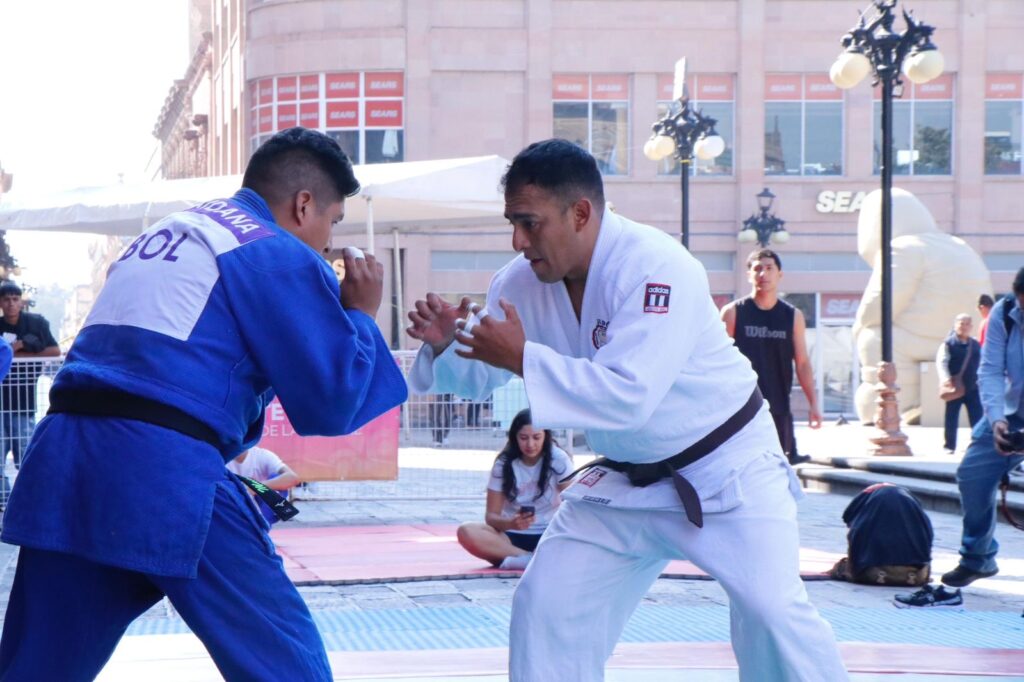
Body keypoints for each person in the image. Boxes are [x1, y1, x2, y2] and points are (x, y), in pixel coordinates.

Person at [406, 139, 847, 681]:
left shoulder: (656, 266)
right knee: (546, 607)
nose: (518, 241)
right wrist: (447, 346)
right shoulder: (519, 282)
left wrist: (522, 357)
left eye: (529, 223)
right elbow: (482, 375)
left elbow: (628, 396)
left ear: (580, 213)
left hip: (725, 469)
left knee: (771, 615)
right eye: (512, 223)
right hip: (624, 481)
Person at [0, 127, 408, 680]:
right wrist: (361, 314)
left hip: (64, 459)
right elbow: (333, 402)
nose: (329, 243)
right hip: (161, 468)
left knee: (37, 667)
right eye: (332, 223)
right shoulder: (274, 250)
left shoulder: (168, 232)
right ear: (303, 205)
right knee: (283, 660)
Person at [942, 267, 1024, 589]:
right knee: (972, 475)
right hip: (1010, 412)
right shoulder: (1004, 312)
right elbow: (989, 370)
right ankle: (978, 558)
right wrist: (997, 420)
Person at [721, 249, 822, 465]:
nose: (763, 274)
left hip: (779, 406)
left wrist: (813, 403)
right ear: (749, 274)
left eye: (769, 268)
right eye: (757, 269)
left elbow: (802, 363)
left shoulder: (792, 316)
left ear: (779, 274)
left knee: (781, 466)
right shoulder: (733, 312)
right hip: (742, 405)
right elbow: (718, 362)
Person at [456, 408, 572, 571]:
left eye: (536, 437)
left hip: (550, 533)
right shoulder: (503, 464)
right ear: (514, 437)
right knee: (466, 531)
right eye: (523, 438)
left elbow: (572, 503)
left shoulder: (558, 459)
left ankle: (520, 560)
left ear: (546, 436)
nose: (530, 444)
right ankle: (528, 559)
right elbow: (491, 516)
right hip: (511, 536)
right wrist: (511, 523)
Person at [0, 281, 61, 470]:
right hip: (2, 400)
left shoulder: (36, 323)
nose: (11, 304)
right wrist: (13, 349)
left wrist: (15, 353)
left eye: (15, 299)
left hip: (24, 401)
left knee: (26, 456)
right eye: (6, 299)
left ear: (21, 302)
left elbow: (54, 351)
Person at [829, 483, 933, 588]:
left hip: (871, 574)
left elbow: (855, 548)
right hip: (916, 576)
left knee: (843, 567)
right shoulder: (917, 513)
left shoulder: (867, 516)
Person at [936, 313, 983, 453]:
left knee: (977, 418)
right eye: (961, 323)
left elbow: (982, 363)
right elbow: (942, 363)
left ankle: (977, 445)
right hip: (954, 388)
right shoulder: (948, 343)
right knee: (951, 417)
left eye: (967, 324)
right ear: (955, 325)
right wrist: (945, 379)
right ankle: (949, 446)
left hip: (973, 387)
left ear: (971, 326)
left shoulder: (975, 344)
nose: (964, 327)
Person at [227, 445, 301, 525]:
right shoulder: (220, 458)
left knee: (277, 480)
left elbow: (292, 478)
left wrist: (254, 487)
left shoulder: (262, 455)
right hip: (230, 503)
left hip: (260, 504)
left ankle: (263, 523)